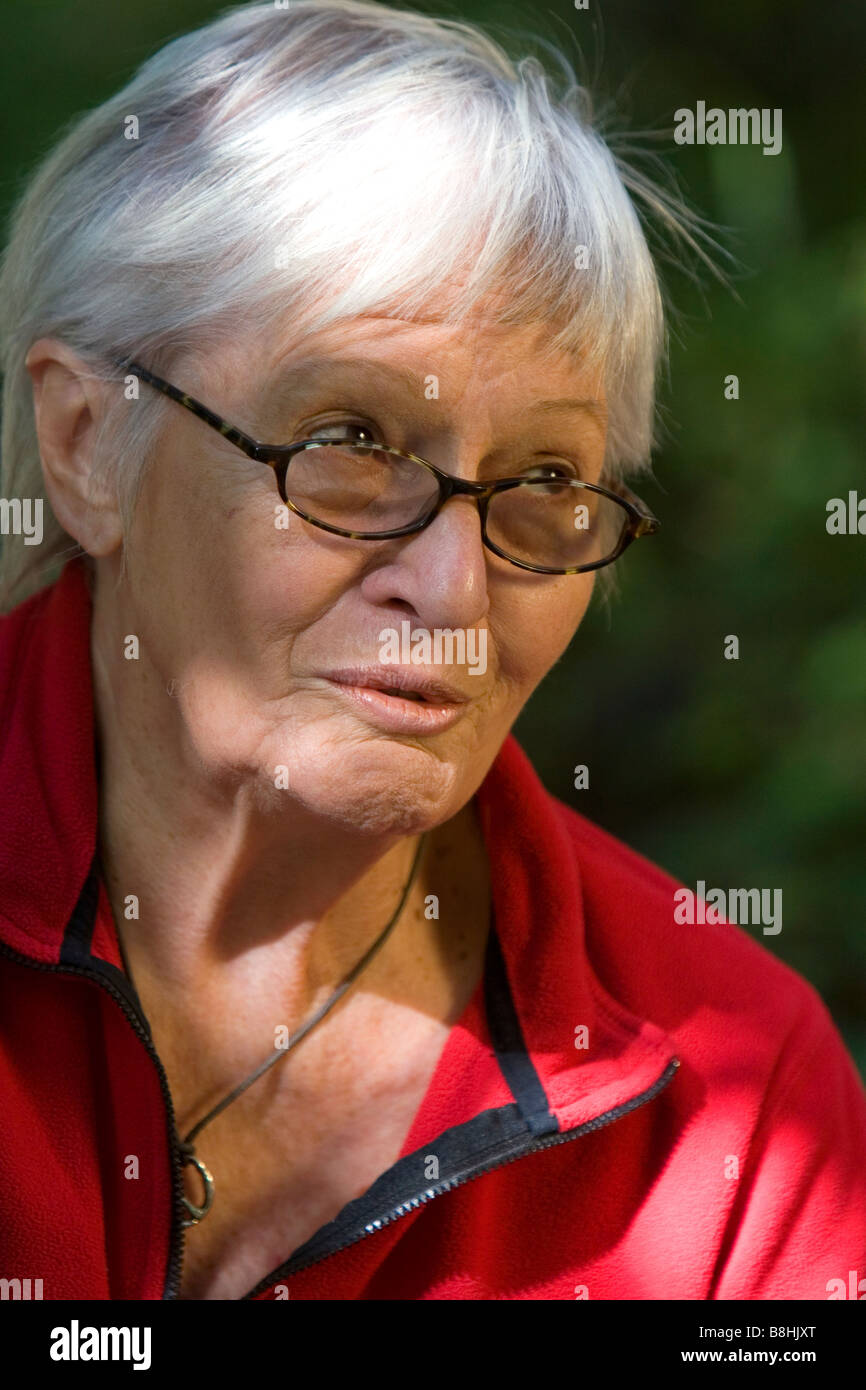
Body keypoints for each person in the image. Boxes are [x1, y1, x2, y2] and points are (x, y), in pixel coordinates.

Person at [0, 0, 863, 1302]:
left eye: (545, 478)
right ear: (83, 446)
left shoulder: (730, 1111)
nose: (454, 584)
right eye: (347, 442)